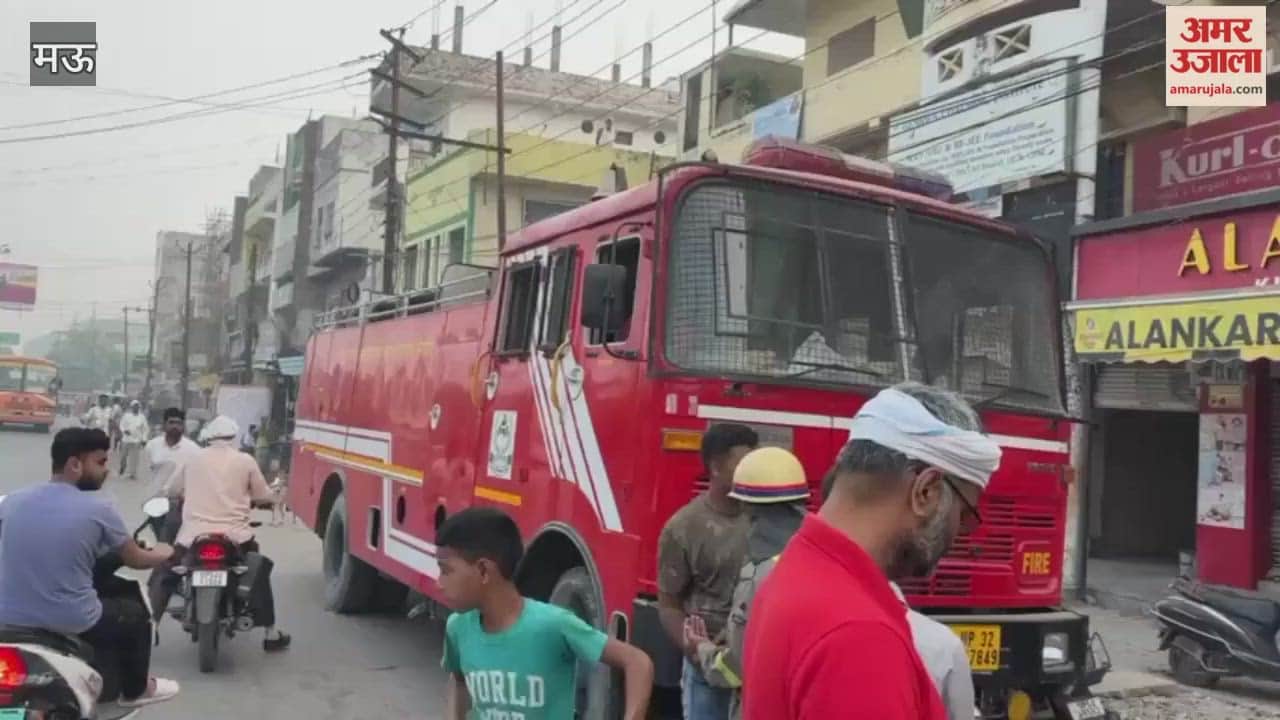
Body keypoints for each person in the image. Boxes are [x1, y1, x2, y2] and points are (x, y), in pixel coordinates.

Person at [742, 382, 999, 720]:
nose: (959, 535)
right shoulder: (861, 637)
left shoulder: (793, 569)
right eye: (965, 516)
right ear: (926, 492)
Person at [0, 427, 180, 707]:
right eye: (100, 462)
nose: (106, 471)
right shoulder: (99, 509)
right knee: (133, 615)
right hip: (71, 620)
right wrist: (163, 552)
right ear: (75, 464)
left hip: (7, 619)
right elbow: (136, 559)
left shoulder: (13, 501)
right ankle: (136, 690)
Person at [437, 507, 654, 720]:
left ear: (484, 570)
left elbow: (637, 662)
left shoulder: (553, 625)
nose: (439, 583)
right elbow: (458, 681)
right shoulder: (458, 628)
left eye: (446, 570)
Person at [682, 446, 810, 720]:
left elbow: (736, 668)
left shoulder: (759, 575)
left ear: (749, 510)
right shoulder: (825, 559)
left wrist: (702, 649)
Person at [657, 423, 758, 720]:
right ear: (715, 466)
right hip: (706, 674)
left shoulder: (765, 522)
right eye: (742, 463)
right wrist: (698, 653)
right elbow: (669, 605)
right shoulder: (684, 527)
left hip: (756, 665)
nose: (751, 471)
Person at [169, 415, 290, 651]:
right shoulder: (245, 460)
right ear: (234, 437)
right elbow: (262, 494)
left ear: (209, 437)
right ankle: (270, 633)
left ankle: (153, 619)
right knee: (258, 570)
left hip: (193, 535)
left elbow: (173, 488)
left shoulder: (192, 459)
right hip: (235, 536)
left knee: (166, 567)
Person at [145, 407, 201, 543]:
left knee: (171, 540)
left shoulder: (194, 450)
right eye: (171, 422)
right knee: (160, 538)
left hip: (179, 503)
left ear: (183, 426)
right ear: (164, 425)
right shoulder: (153, 446)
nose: (175, 426)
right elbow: (149, 473)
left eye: (179, 423)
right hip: (156, 501)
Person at [118, 401, 148, 480]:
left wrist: (144, 439)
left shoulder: (142, 417)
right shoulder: (126, 416)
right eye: (134, 406)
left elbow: (145, 429)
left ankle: (133, 473)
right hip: (126, 439)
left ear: (139, 408)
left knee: (134, 458)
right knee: (123, 456)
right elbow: (121, 425)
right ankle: (123, 466)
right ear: (131, 407)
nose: (136, 408)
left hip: (136, 440)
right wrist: (124, 430)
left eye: (137, 406)